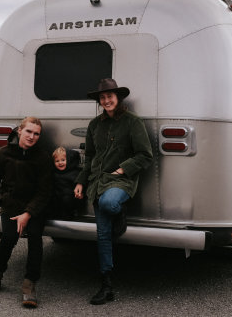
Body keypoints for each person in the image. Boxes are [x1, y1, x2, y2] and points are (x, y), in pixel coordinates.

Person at [73, 78, 153, 305]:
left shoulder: (132, 122)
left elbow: (145, 155)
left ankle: (121, 216)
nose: (107, 100)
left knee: (110, 204)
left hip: (121, 181)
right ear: (100, 101)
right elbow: (89, 157)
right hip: (97, 181)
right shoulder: (94, 125)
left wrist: (123, 169)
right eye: (103, 98)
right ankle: (106, 284)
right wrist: (81, 181)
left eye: (110, 96)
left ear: (118, 98)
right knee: (102, 235)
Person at [0, 116, 53, 308]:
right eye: (29, 131)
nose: (32, 136)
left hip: (35, 206)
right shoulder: (3, 154)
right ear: (19, 131)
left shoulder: (42, 158)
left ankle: (29, 285)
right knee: (9, 237)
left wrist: (28, 213)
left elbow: (45, 191)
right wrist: (3, 200)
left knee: (36, 238)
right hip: (11, 205)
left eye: (36, 134)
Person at [50, 147, 84, 220]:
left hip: (71, 198)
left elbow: (81, 185)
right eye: (57, 161)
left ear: (69, 161)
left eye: (63, 160)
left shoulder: (75, 173)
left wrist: (81, 194)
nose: (60, 163)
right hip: (57, 198)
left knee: (67, 199)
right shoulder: (54, 173)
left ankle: (69, 215)